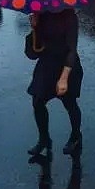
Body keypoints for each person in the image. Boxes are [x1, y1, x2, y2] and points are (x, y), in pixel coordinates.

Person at [25, 9, 83, 156]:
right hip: (46, 66)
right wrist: (35, 28)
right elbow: (32, 54)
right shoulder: (40, 15)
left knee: (69, 103)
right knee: (38, 102)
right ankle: (44, 139)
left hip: (67, 66)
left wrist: (64, 79)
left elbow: (72, 50)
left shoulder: (69, 17)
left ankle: (76, 136)